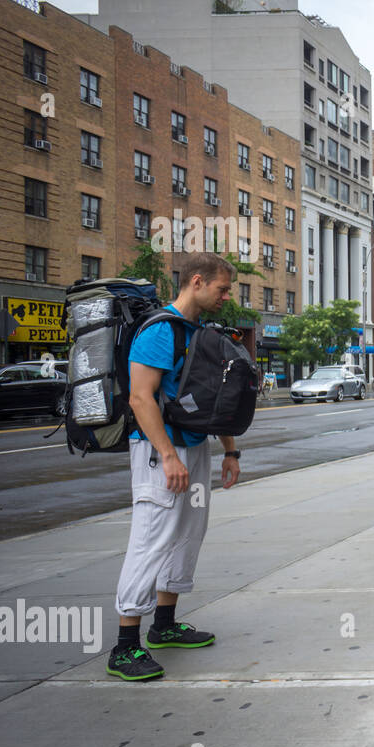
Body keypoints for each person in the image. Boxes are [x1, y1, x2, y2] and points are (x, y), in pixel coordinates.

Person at [107, 252, 242, 681]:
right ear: (197, 282)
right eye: (222, 289)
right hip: (157, 452)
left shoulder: (195, 331)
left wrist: (230, 451)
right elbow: (140, 398)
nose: (226, 297)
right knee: (151, 536)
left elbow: (211, 397)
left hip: (193, 448)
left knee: (188, 531)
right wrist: (167, 455)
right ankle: (125, 646)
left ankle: (164, 625)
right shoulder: (159, 331)